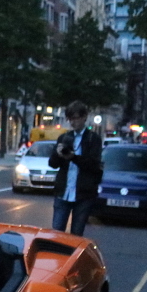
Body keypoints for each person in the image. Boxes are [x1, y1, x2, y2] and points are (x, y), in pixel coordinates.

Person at [48, 100, 103, 236]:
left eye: (76, 118)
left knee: (76, 235)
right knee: (56, 233)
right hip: (63, 192)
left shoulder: (93, 139)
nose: (72, 122)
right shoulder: (64, 137)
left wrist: (73, 157)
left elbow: (93, 165)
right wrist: (58, 153)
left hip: (83, 194)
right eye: (70, 119)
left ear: (84, 117)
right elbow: (53, 164)